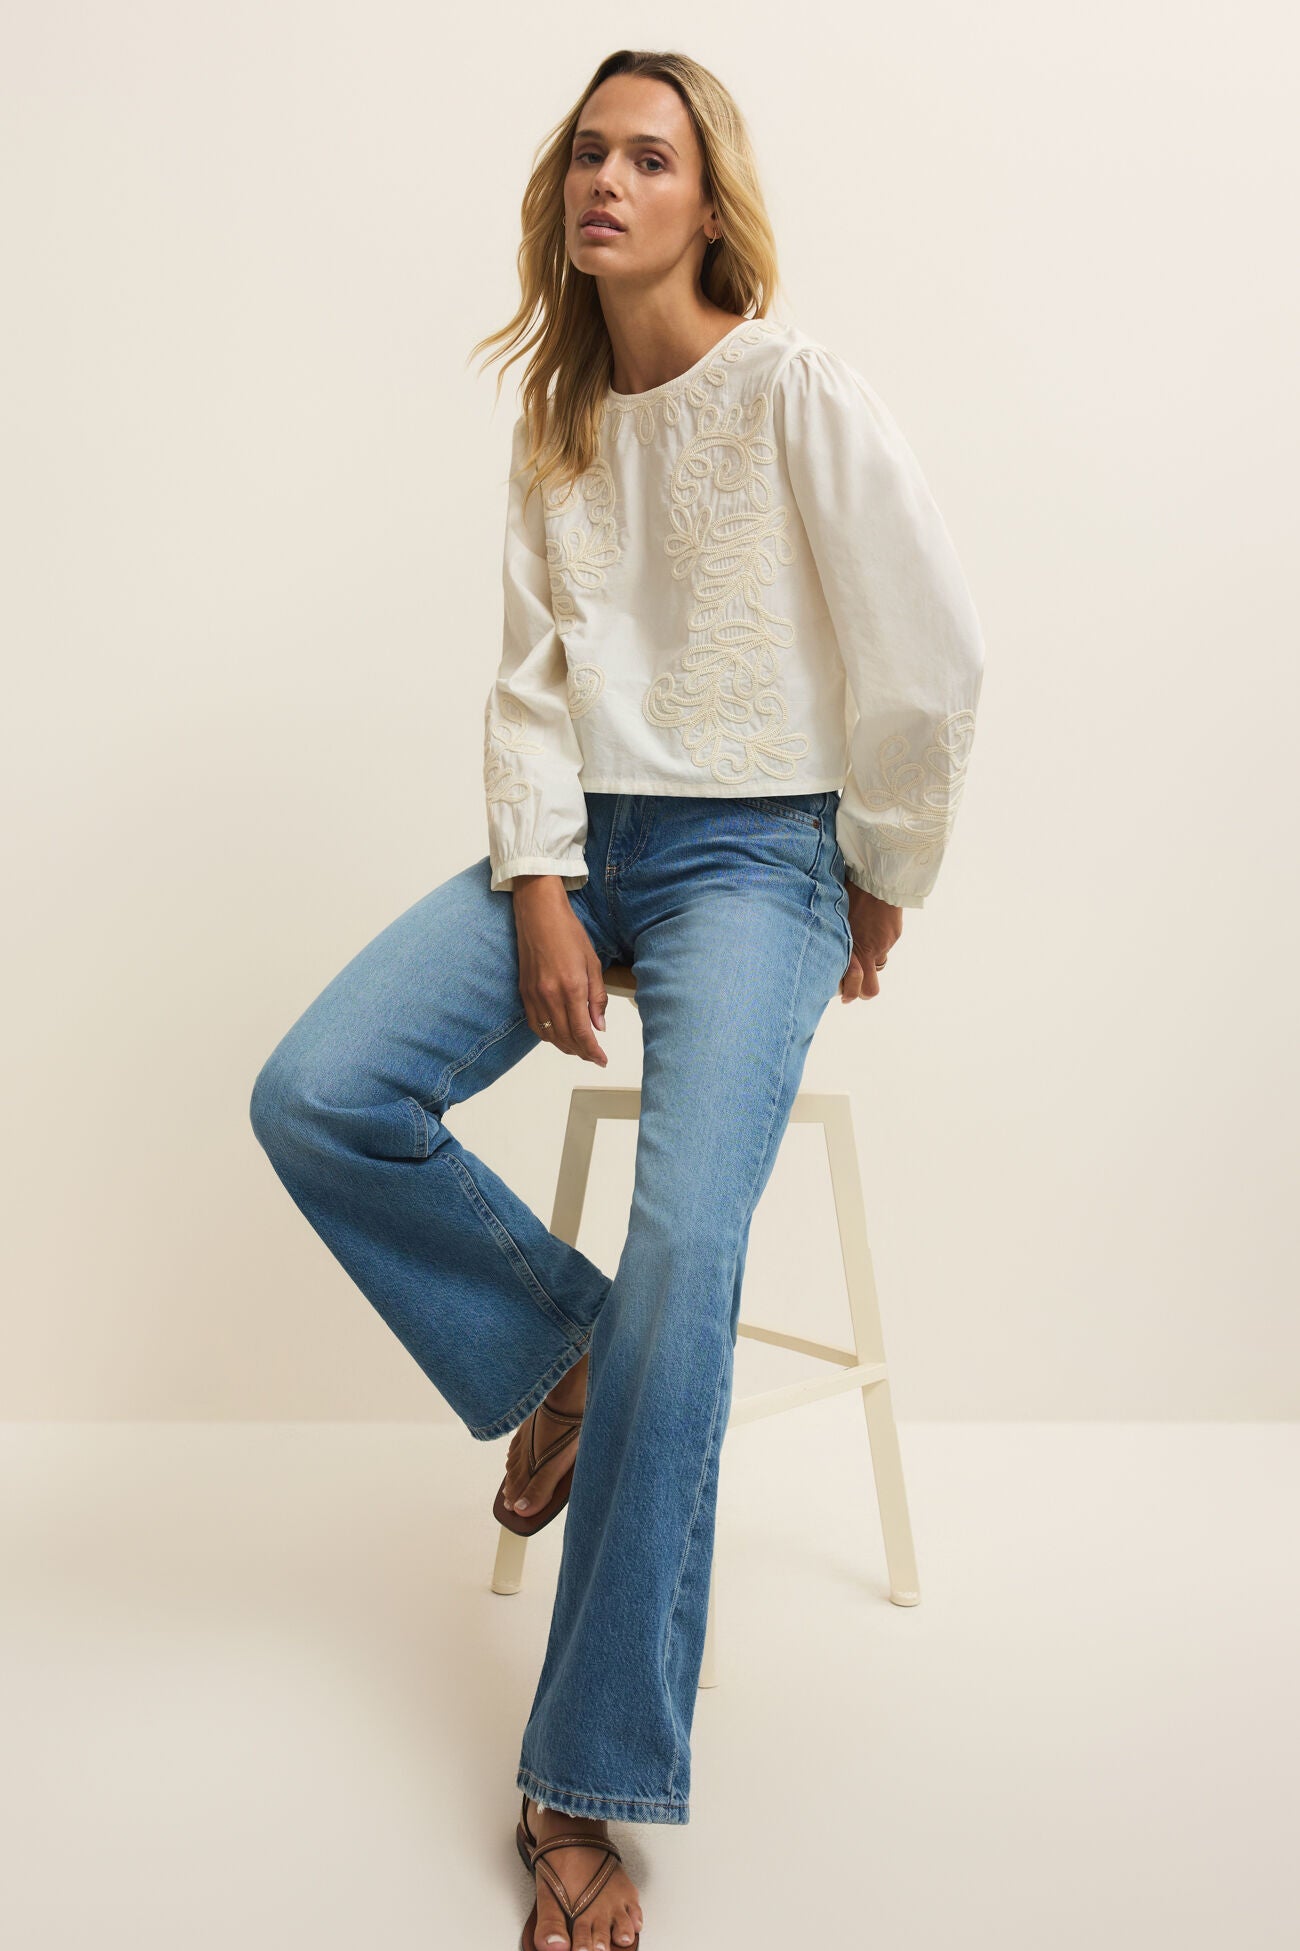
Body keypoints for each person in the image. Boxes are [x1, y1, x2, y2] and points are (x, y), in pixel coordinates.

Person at [249, 46, 985, 1951]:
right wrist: (545, 881)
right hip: (594, 838)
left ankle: (583, 1776)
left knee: (688, 1252)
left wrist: (879, 871)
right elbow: (526, 684)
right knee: (318, 1087)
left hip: (762, 857)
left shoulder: (795, 387)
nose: (608, 181)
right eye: (587, 153)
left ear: (704, 200)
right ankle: (557, 1354)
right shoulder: (560, 417)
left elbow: (931, 651)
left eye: (647, 156)